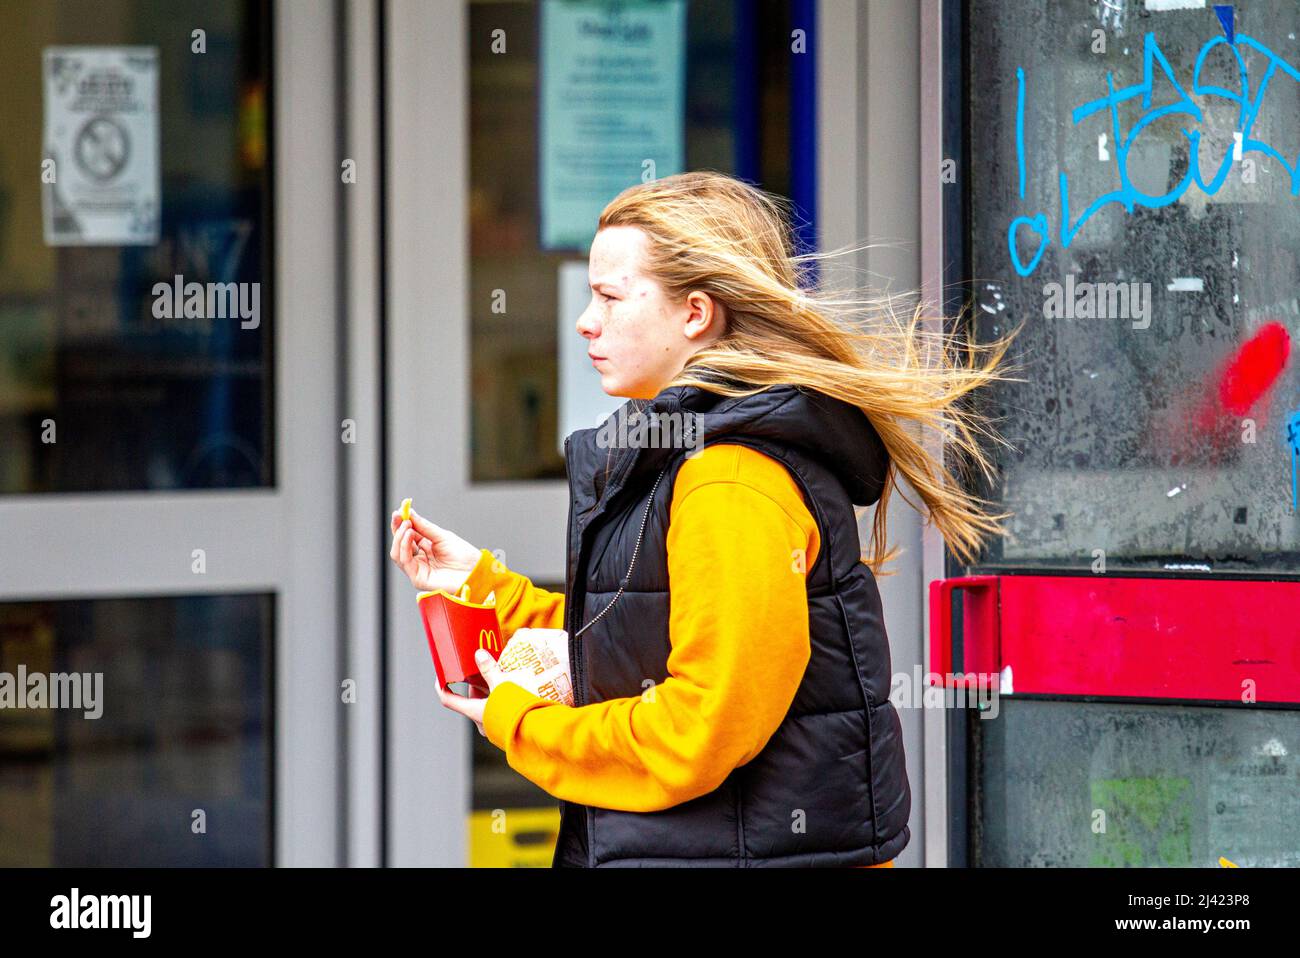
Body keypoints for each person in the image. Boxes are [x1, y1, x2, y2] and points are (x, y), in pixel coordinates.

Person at [389, 171, 1017, 867]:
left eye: (609, 297)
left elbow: (698, 731)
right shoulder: (687, 454)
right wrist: (484, 585)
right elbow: (630, 641)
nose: (584, 321)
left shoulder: (731, 479)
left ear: (695, 314)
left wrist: (523, 722)